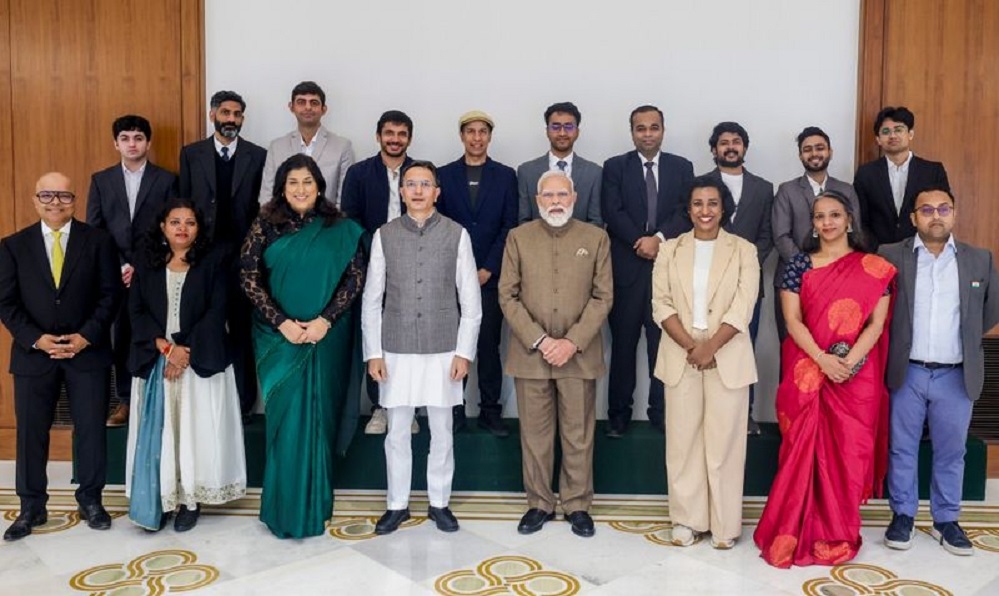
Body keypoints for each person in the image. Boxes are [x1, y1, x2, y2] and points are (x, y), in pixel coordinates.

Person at [754, 189, 895, 568]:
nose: (827, 222)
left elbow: (877, 324)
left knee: (848, 456)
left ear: (850, 219)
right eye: (819, 216)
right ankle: (792, 532)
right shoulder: (800, 265)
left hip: (855, 377)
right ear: (812, 224)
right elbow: (793, 320)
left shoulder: (873, 267)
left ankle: (838, 533)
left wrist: (846, 362)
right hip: (807, 373)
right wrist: (822, 359)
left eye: (835, 215)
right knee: (801, 453)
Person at [240, 154, 366, 539]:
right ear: (282, 187)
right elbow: (248, 276)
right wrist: (283, 324)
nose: (300, 189)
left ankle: (315, 503)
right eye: (293, 182)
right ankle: (283, 508)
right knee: (286, 421)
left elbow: (354, 278)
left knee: (319, 419)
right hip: (278, 338)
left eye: (307, 182)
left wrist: (324, 321)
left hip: (325, 337)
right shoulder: (265, 225)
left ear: (319, 186)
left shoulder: (340, 227)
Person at [0, 172, 121, 541]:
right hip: (34, 355)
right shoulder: (12, 246)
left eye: (64, 195)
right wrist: (37, 339)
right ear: (35, 200)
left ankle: (91, 500)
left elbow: (110, 295)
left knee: (90, 430)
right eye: (47, 195)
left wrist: (86, 336)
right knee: (31, 433)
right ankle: (31, 507)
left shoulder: (98, 241)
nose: (56, 202)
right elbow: (6, 302)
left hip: (87, 352)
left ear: (75, 199)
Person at [363, 160, 482, 535]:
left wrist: (464, 352)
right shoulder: (384, 235)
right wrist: (374, 353)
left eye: (425, 184)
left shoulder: (457, 234)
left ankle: (439, 502)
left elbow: (471, 299)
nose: (417, 190)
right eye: (410, 183)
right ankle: (396, 504)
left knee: (443, 429)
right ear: (401, 191)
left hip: (444, 346)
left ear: (436, 192)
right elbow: (371, 298)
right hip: (396, 346)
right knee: (397, 429)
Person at [880, 187, 999, 556]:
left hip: (955, 373)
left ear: (954, 213)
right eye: (927, 209)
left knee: (951, 451)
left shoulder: (980, 259)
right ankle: (903, 516)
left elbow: (990, 311)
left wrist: (963, 339)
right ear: (914, 217)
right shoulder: (890, 256)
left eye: (944, 208)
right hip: (907, 370)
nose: (936, 215)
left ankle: (946, 520)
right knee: (902, 448)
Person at [499, 170, 612, 538]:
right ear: (537, 200)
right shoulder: (518, 238)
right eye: (548, 196)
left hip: (578, 355)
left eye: (562, 194)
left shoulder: (596, 238)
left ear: (575, 197)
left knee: (578, 434)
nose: (556, 202)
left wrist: (571, 342)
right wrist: (541, 340)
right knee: (535, 434)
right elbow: (507, 296)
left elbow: (602, 297)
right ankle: (539, 503)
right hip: (531, 355)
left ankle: (578, 505)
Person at [125, 198, 246, 532]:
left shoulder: (212, 262)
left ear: (198, 228)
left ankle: (190, 500)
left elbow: (217, 310)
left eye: (190, 222)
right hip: (156, 362)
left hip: (199, 360)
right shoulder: (146, 263)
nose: (182, 228)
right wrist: (166, 349)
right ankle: (162, 498)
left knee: (193, 433)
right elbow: (135, 311)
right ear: (162, 227)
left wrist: (185, 351)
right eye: (175, 221)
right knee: (163, 434)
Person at [651, 176, 759, 549]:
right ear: (689, 208)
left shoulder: (744, 250)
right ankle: (686, 520)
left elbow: (744, 305)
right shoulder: (671, 250)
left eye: (712, 203)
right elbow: (660, 304)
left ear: (723, 207)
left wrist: (711, 346)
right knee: (683, 443)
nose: (705, 210)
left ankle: (724, 525)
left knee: (725, 443)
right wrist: (692, 346)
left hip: (726, 355)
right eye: (698, 203)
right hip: (682, 356)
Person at [602, 105, 694, 436]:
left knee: (663, 347)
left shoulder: (682, 167)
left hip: (667, 271)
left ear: (663, 130)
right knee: (624, 347)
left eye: (653, 127)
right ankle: (618, 415)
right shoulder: (615, 167)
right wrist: (639, 241)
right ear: (632, 132)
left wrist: (658, 239)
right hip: (626, 269)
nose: (647, 134)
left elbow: (686, 211)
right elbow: (612, 211)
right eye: (640, 128)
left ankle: (661, 412)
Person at [180, 90, 267, 417]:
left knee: (243, 327)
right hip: (203, 255)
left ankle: (244, 404)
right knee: (205, 324)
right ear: (212, 114)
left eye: (237, 114)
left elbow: (263, 207)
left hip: (244, 256)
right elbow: (185, 203)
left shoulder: (257, 155)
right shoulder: (191, 154)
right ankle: (205, 403)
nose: (231, 119)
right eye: (226, 113)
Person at [88, 115, 177, 428]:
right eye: (125, 138)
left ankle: (158, 397)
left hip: (154, 269)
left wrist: (142, 266)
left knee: (155, 332)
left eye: (138, 138)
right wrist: (121, 266)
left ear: (148, 143)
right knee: (120, 336)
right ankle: (125, 401)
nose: (132, 143)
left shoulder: (167, 180)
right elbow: (95, 231)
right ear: (116, 143)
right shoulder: (101, 180)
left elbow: (172, 227)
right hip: (115, 273)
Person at [437, 110, 517, 436]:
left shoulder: (505, 176)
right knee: (454, 347)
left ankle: (490, 411)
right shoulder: (443, 174)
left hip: (490, 278)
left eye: (483, 131)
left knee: (488, 347)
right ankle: (453, 412)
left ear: (489, 136)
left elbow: (509, 226)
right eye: (470, 131)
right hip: (451, 280)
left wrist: (488, 268)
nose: (476, 137)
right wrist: (460, 271)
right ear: (462, 136)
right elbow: (438, 226)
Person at [340, 110, 416, 435]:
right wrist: (376, 253)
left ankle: (407, 407)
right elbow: (350, 221)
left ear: (409, 138)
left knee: (410, 338)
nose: (395, 139)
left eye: (401, 134)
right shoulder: (359, 174)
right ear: (378, 136)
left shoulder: (420, 172)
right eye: (389, 133)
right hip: (371, 266)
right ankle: (379, 407)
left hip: (414, 268)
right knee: (376, 337)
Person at [701, 121, 773, 435]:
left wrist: (741, 268)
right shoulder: (700, 184)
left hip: (747, 285)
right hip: (703, 284)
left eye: (736, 141)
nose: (730, 146)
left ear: (744, 147)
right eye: (723, 142)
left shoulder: (763, 187)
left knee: (743, 349)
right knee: (704, 346)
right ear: (714, 149)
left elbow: (767, 236)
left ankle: (745, 415)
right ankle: (704, 414)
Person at [772, 127, 861, 341]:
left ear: (830, 151)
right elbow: (781, 236)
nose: (814, 154)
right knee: (794, 347)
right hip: (794, 281)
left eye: (820, 148)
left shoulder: (846, 189)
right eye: (807, 149)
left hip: (840, 279)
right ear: (800, 155)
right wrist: (808, 268)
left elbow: (854, 231)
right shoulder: (787, 190)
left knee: (835, 344)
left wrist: (831, 271)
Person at [853, 106, 950, 249]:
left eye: (899, 129)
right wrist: (875, 250)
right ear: (878, 139)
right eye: (886, 131)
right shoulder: (866, 173)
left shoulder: (933, 171)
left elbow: (943, 212)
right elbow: (860, 219)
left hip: (922, 251)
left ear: (910, 134)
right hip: (878, 253)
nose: (892, 136)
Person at [258, 81, 354, 206]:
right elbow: (267, 195)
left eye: (314, 103)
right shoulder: (276, 147)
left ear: (324, 109)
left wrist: (333, 224)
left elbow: (344, 198)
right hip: (284, 222)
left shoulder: (342, 147)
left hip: (326, 222)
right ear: (291, 107)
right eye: (301, 102)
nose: (308, 107)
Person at [516, 102, 602, 225]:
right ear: (547, 131)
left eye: (569, 127)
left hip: (581, 244)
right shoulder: (527, 171)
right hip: (537, 243)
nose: (562, 133)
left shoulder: (594, 173)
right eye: (555, 127)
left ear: (577, 131)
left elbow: (596, 221)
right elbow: (523, 220)